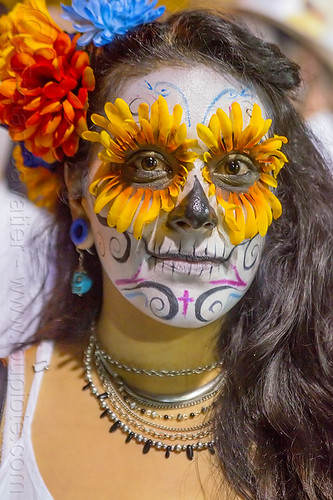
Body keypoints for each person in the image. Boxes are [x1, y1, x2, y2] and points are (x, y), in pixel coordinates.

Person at [0, 1, 332, 499]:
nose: (195, 211)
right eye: (149, 162)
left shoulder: (319, 423)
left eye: (236, 168)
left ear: (277, 204)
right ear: (77, 192)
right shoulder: (10, 411)